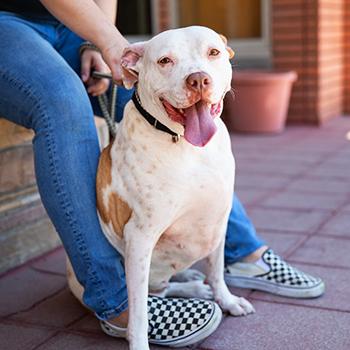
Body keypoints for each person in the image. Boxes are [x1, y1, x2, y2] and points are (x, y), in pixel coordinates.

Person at [0, 0, 324, 346]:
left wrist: (95, 42)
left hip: (73, 23)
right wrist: (109, 41)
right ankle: (115, 300)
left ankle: (242, 253)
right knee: (64, 100)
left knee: (133, 93)